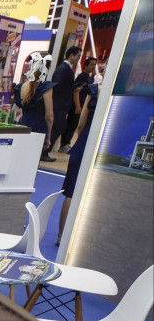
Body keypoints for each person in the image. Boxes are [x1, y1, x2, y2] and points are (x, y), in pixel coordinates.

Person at [58, 83, 99, 244]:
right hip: (101, 148)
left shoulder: (95, 89)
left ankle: (61, 236)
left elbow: (81, 124)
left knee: (71, 193)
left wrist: (82, 141)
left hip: (83, 146)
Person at [15, 53, 56, 163]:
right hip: (38, 130)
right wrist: (48, 136)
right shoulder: (46, 88)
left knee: (19, 160)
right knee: (31, 163)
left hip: (23, 125)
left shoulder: (23, 86)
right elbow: (49, 116)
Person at [48, 46, 82, 157]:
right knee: (57, 127)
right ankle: (44, 151)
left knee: (60, 127)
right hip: (58, 105)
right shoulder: (63, 69)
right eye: (78, 56)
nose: (78, 58)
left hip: (62, 105)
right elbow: (56, 86)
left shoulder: (67, 69)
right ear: (71, 55)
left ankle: (45, 151)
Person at [60, 57, 97, 153]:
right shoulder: (82, 77)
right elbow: (75, 91)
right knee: (71, 124)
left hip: (83, 105)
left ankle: (67, 143)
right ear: (86, 65)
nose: (94, 67)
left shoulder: (90, 78)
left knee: (74, 125)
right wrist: (77, 106)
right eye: (92, 64)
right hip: (78, 105)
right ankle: (64, 144)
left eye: (95, 65)